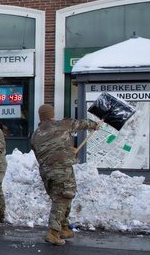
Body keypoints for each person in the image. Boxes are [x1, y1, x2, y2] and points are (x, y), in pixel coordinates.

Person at [30, 104, 99, 245]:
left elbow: (39, 153)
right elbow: (81, 124)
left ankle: (64, 227)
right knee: (63, 198)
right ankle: (53, 232)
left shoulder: (36, 134)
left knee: (60, 198)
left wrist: (65, 151)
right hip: (61, 169)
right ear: (52, 115)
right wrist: (94, 125)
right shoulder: (62, 125)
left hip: (46, 172)